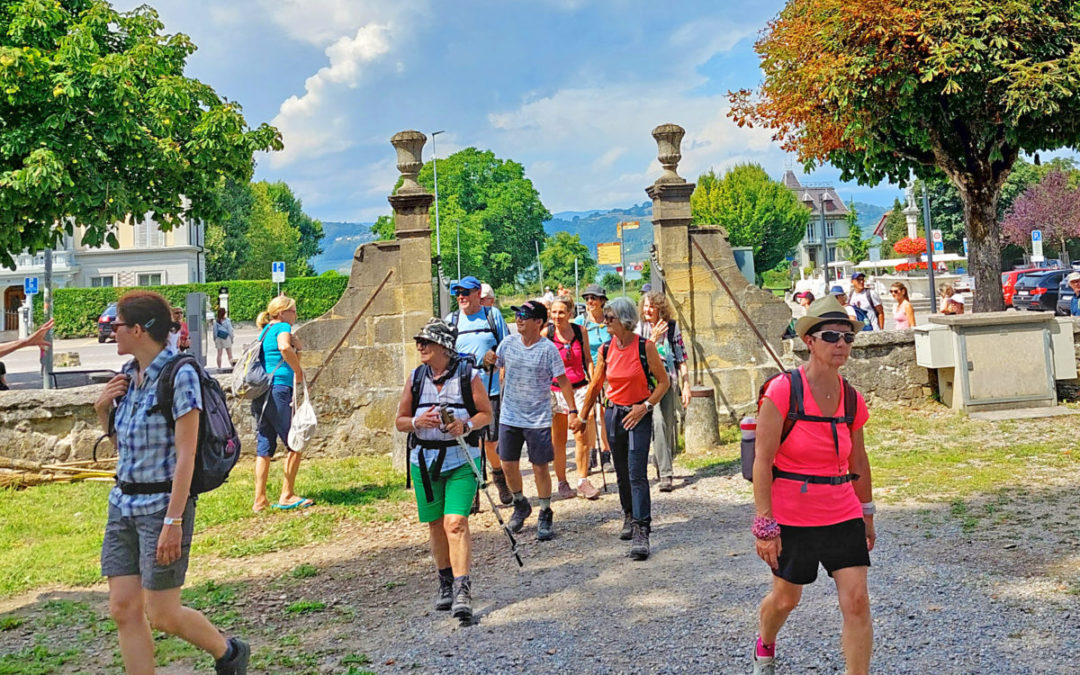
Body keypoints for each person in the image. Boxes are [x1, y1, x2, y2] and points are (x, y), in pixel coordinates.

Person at [93, 291, 249, 674]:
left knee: (162, 613)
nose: (112, 332)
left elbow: (186, 455)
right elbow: (128, 447)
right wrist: (102, 411)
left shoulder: (181, 376)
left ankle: (228, 652)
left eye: (117, 325)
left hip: (162, 507)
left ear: (138, 329)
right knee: (123, 608)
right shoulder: (128, 377)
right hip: (123, 504)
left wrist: (173, 522)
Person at [751, 295, 876, 675]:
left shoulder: (851, 398)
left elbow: (859, 461)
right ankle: (765, 643)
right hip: (792, 514)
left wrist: (867, 513)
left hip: (841, 509)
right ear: (810, 341)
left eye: (848, 338)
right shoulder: (783, 391)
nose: (841, 344)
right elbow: (762, 460)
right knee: (786, 600)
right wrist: (765, 525)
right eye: (831, 336)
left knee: (856, 601)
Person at [394, 318, 492, 622]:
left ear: (445, 347)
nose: (420, 346)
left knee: (456, 523)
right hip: (424, 462)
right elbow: (400, 420)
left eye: (427, 342)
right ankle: (445, 582)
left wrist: (465, 425)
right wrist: (416, 423)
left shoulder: (468, 375)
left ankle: (463, 589)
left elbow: (486, 413)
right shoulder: (415, 378)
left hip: (462, 458)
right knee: (436, 524)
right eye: (419, 342)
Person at [581, 297, 669, 561]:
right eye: (605, 317)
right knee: (621, 470)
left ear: (625, 320)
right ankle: (629, 516)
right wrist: (582, 417)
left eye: (610, 318)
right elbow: (596, 385)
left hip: (638, 413)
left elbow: (663, 383)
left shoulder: (646, 346)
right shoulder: (606, 349)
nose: (605, 322)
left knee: (636, 472)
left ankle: (642, 529)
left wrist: (646, 406)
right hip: (614, 413)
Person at [496, 300, 582, 541]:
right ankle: (520, 502)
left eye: (525, 315)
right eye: (517, 315)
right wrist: (487, 360)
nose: (519, 319)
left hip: (538, 419)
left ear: (538, 322)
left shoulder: (547, 349)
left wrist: (573, 410)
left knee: (540, 467)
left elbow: (563, 381)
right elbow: (495, 366)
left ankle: (545, 510)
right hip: (510, 416)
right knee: (507, 464)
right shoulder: (508, 343)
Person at [445, 276, 512, 505]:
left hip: (490, 387)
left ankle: (498, 475)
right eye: (457, 293)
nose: (461, 297)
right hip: (462, 391)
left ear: (477, 293)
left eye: (465, 292)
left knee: (491, 441)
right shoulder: (451, 321)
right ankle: (471, 486)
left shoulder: (492, 316)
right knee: (467, 439)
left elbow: (507, 346)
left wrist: (497, 360)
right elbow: (445, 356)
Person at [251, 295, 308, 512]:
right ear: (282, 313)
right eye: (293, 310)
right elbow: (284, 348)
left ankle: (260, 499)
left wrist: (299, 349)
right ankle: (287, 494)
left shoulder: (265, 331)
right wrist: (299, 371)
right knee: (295, 442)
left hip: (262, 391)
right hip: (279, 390)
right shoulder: (282, 326)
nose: (295, 314)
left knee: (264, 445)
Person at [542, 296, 600, 500]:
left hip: (580, 388)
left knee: (581, 434)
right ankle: (562, 481)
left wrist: (594, 383)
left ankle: (582, 480)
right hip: (555, 391)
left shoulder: (579, 331)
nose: (557, 316)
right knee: (558, 439)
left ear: (570, 314)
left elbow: (587, 359)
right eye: (554, 312)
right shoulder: (547, 334)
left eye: (561, 312)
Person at [636, 291, 690, 492]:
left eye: (652, 306)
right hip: (648, 383)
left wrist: (686, 385)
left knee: (667, 426)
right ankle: (667, 474)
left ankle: (660, 463)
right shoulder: (639, 328)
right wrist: (653, 338)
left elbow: (681, 357)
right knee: (657, 422)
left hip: (668, 381)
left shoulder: (672, 327)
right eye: (645, 306)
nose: (647, 310)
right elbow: (638, 354)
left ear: (660, 308)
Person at [574, 284, 614, 472]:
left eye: (594, 298)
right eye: (587, 298)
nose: (590, 301)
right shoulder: (580, 323)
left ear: (602, 301)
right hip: (587, 374)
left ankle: (606, 452)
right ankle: (591, 452)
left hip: (609, 372)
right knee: (589, 415)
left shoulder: (609, 320)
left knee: (604, 413)